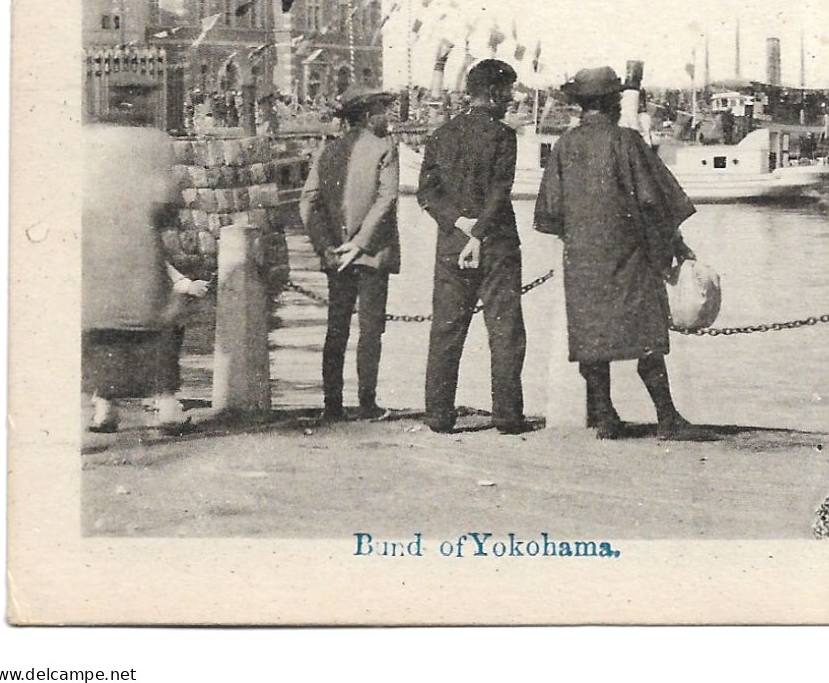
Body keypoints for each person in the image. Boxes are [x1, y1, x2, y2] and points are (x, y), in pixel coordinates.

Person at [533, 66, 706, 440]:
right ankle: (667, 418)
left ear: (580, 106)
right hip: (629, 257)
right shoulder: (626, 142)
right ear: (612, 103)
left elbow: (549, 213)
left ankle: (606, 417)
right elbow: (655, 200)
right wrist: (675, 246)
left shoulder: (564, 147)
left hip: (581, 259)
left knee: (592, 339)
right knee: (647, 338)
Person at [416, 59, 533, 434]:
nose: (512, 99)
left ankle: (438, 415)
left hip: (451, 245)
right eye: (510, 91)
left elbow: (427, 194)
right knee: (505, 330)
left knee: (446, 330)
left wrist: (460, 225)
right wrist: (480, 234)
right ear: (496, 92)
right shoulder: (503, 137)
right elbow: (500, 192)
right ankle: (507, 416)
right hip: (496, 245)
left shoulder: (441, 135)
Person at [82, 84, 206, 435]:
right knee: (158, 326)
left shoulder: (88, 139)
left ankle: (104, 409)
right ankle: (166, 406)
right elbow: (166, 201)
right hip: (138, 249)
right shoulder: (155, 142)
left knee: (102, 332)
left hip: (94, 253)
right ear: (138, 103)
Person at [300, 89, 401, 423]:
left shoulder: (327, 151)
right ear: (369, 115)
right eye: (384, 112)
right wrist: (361, 243)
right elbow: (386, 199)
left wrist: (326, 245)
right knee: (371, 330)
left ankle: (332, 405)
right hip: (371, 254)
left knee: (336, 328)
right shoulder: (385, 149)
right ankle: (367, 403)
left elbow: (308, 204)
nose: (389, 118)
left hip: (335, 255)